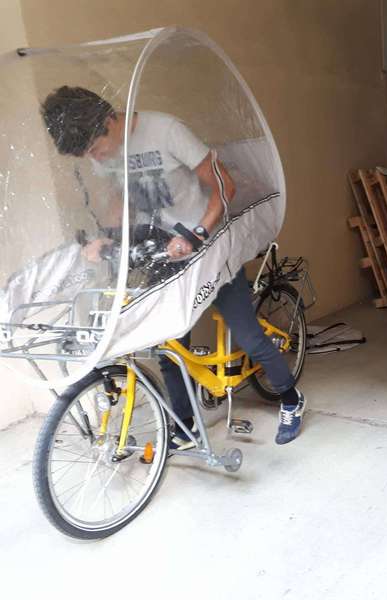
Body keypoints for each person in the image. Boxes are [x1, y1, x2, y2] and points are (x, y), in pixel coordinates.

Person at [40, 85, 307, 446]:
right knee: (166, 342)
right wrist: (109, 238)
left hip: (208, 242)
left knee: (247, 334)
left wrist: (197, 235)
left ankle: (291, 399)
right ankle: (185, 425)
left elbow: (223, 185)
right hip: (161, 247)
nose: (94, 156)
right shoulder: (100, 152)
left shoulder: (165, 131)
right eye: (86, 153)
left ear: (107, 119)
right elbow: (122, 196)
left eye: (93, 147)